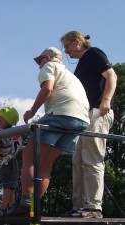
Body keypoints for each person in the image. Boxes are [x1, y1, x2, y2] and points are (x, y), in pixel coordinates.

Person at [8, 47, 90, 217]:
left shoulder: (50, 66)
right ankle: (34, 206)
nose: (39, 66)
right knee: (46, 163)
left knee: (29, 156)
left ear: (47, 57)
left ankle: (25, 205)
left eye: (39, 61)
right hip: (81, 120)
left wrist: (31, 111)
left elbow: (47, 89)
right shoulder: (71, 76)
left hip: (61, 115)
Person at [60, 31, 117, 218]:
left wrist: (105, 101)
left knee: (92, 160)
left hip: (97, 113)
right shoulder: (82, 64)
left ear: (77, 41)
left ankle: (93, 207)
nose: (66, 51)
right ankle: (79, 206)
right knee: (78, 161)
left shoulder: (94, 54)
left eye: (67, 46)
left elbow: (111, 76)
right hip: (82, 117)